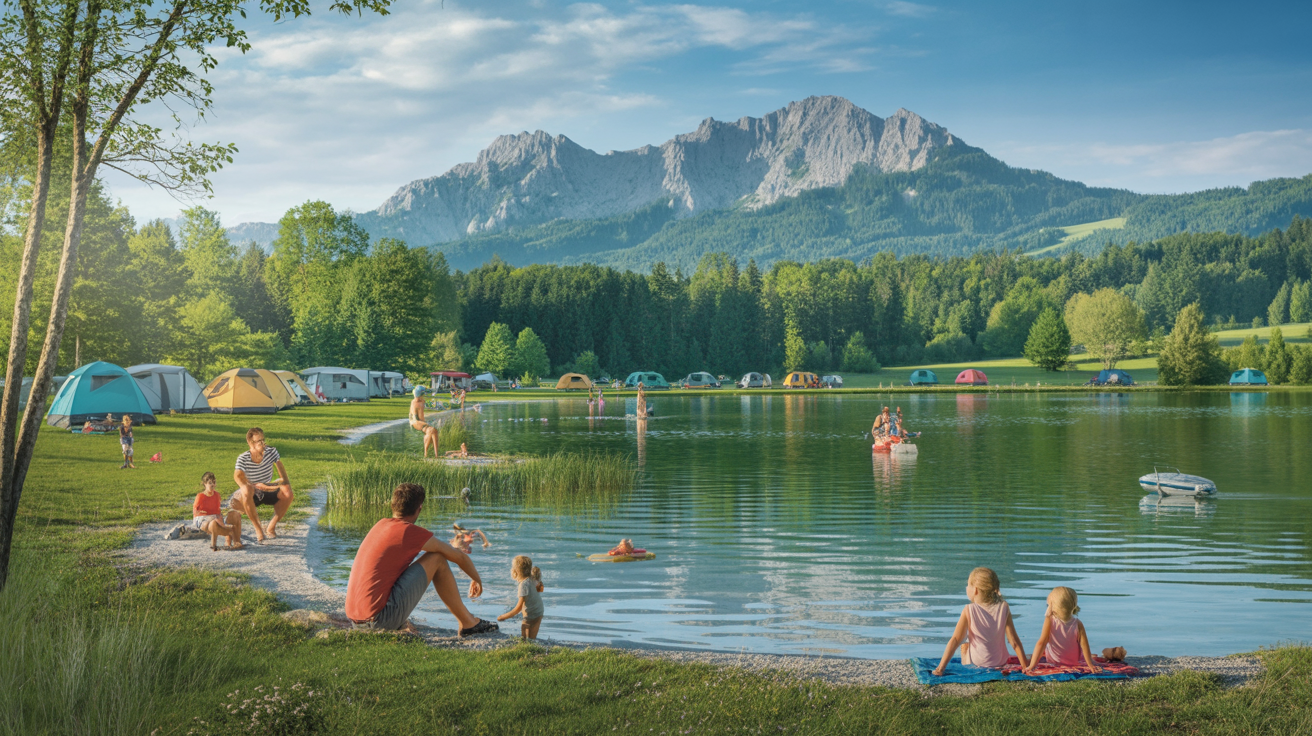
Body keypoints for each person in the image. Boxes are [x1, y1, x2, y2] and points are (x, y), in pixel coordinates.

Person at [344, 483, 497, 636]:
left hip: (356, 619)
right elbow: (458, 557)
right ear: (420, 508)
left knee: (426, 559)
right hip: (377, 621)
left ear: (393, 505)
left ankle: (466, 621)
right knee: (437, 558)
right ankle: (468, 623)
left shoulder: (380, 525)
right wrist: (477, 580)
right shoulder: (407, 531)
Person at [932, 567, 1027, 675]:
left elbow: (955, 640)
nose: (967, 588)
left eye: (968, 585)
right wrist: (1025, 667)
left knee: (964, 646)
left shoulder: (969, 610)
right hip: (1001, 662)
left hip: (977, 663)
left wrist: (940, 668)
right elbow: (1014, 641)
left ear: (975, 590)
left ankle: (964, 662)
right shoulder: (1004, 607)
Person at [230, 427, 293, 543]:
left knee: (288, 492)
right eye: (260, 441)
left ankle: (270, 528)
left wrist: (285, 484)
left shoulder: (271, 451)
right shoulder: (243, 458)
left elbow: (281, 469)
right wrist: (248, 486)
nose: (263, 443)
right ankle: (258, 529)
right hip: (252, 489)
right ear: (251, 443)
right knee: (242, 495)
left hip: (267, 487)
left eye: (263, 440)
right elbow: (237, 476)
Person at [1025, 586, 1101, 674]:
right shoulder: (1078, 623)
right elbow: (1085, 646)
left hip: (1054, 662)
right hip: (1073, 662)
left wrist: (1031, 666)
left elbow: (1041, 643)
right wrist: (1090, 665)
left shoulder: (1050, 620)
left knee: (1043, 648)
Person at [192, 471, 244, 551]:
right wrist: (202, 513)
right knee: (214, 523)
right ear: (205, 484)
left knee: (233, 515)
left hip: (214, 517)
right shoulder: (200, 496)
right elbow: (195, 512)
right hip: (202, 518)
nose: (212, 484)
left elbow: (218, 511)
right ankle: (215, 544)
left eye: (214, 482)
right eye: (210, 483)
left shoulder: (217, 495)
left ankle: (235, 541)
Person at [497, 555, 544, 640]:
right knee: (532, 639)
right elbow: (540, 589)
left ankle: (527, 647)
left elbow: (518, 608)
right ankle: (533, 649)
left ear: (515, 571)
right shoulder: (532, 578)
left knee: (524, 639)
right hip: (539, 611)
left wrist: (503, 617)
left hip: (530, 615)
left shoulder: (523, 585)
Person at [409, 387, 441, 459]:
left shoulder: (422, 401)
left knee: (434, 431)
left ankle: (436, 455)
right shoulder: (414, 404)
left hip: (421, 422)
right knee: (431, 430)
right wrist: (426, 424)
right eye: (420, 396)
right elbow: (415, 419)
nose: (420, 398)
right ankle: (426, 453)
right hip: (415, 423)